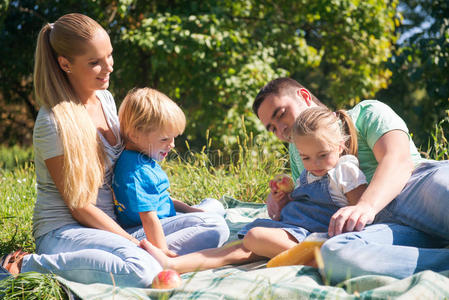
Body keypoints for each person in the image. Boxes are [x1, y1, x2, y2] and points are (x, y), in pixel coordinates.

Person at [1, 13, 161, 287]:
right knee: (143, 269)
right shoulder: (52, 121)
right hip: (65, 231)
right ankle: (23, 262)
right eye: (95, 63)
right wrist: (136, 242)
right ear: (65, 64)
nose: (108, 67)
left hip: (112, 222)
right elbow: (79, 207)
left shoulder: (106, 99)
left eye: (109, 55)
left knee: (212, 226)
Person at [253, 77, 449, 282]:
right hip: (382, 226)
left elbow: (398, 160)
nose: (280, 129)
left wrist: (366, 205)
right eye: (272, 128)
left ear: (304, 96)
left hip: (417, 188)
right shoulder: (298, 154)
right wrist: (284, 202)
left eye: (281, 114)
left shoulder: (366, 112)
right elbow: (315, 205)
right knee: (335, 255)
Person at [236, 106, 368, 259]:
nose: (315, 164)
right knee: (252, 235)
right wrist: (284, 199)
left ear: (339, 147)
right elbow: (303, 203)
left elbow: (359, 211)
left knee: (254, 236)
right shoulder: (307, 175)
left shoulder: (344, 170)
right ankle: (297, 255)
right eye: (306, 158)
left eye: (323, 155)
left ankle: (316, 259)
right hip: (294, 227)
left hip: (316, 234)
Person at [113, 87, 229, 255]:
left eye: (173, 137)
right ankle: (153, 254)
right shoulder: (136, 171)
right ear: (135, 134)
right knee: (216, 225)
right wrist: (162, 252)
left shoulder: (140, 158)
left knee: (215, 206)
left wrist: (191, 210)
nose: (172, 144)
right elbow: (149, 218)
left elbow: (160, 198)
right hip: (145, 231)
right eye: (164, 139)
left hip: (163, 221)